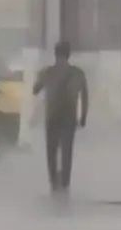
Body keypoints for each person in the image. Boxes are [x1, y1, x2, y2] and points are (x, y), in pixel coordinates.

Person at [33, 41, 88, 193]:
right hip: (69, 117)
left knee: (51, 151)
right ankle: (65, 184)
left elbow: (35, 90)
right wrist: (83, 117)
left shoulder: (47, 72)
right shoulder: (78, 73)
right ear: (69, 55)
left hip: (52, 116)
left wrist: (41, 79)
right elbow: (85, 97)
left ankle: (53, 183)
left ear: (55, 54)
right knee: (66, 151)